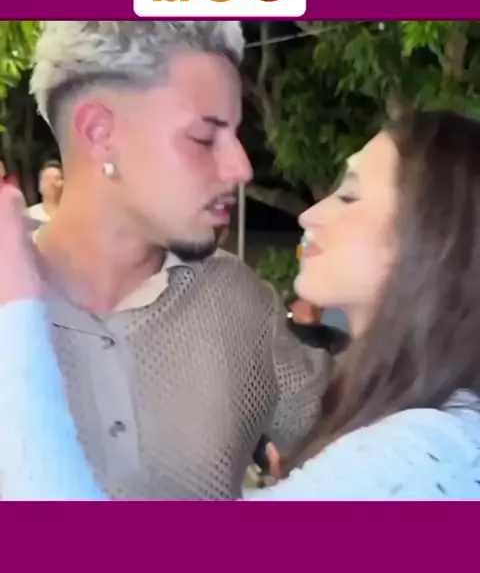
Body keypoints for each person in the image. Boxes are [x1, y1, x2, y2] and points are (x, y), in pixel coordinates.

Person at [2, 109, 480, 499]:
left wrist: (16, 306)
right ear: (99, 136)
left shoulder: (425, 452)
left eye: (350, 195)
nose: (310, 214)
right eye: (200, 139)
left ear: (434, 235)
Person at [0, 20, 327, 500]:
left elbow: (374, 454)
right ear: (99, 133)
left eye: (237, 135)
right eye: (203, 138)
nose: (241, 167)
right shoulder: (11, 306)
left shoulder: (240, 303)